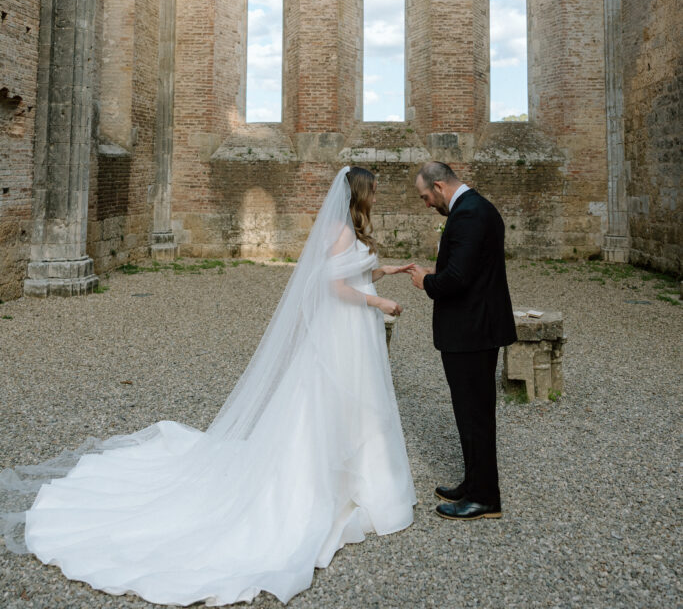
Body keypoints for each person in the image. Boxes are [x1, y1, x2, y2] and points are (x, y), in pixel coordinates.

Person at [0, 167, 416, 606]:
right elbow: (332, 285)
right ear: (360, 193)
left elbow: (352, 271)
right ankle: (323, 482)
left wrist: (386, 269)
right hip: (343, 331)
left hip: (351, 332)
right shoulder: (339, 231)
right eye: (375, 191)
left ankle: (355, 476)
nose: (377, 197)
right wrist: (379, 301)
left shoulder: (347, 229)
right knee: (331, 401)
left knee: (352, 403)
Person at [404, 161, 517, 521]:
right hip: (475, 328)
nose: (426, 204)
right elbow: (470, 267)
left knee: (475, 416)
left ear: (439, 186)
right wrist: (442, 272)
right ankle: (473, 483)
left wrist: (426, 281)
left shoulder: (468, 214)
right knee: (470, 414)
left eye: (426, 197)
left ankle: (484, 498)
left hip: (471, 332)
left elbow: (458, 280)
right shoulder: (477, 208)